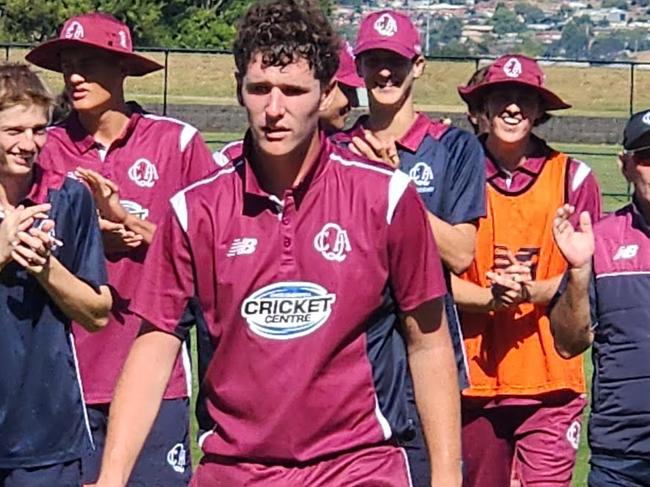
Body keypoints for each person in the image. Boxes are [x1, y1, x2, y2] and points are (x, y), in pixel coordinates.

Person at [89, 1, 462, 486]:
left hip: (357, 467)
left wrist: (448, 476)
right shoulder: (194, 211)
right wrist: (112, 477)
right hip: (234, 470)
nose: (274, 109)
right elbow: (155, 345)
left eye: (293, 90)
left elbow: (428, 343)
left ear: (326, 93)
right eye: (260, 89)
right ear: (238, 87)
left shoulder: (386, 199)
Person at [26, 12, 217, 486]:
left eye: (89, 62)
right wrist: (88, 237)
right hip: (64, 377)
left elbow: (217, 247)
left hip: (156, 374)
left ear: (123, 69)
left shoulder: (178, 142)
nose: (74, 76)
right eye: (68, 63)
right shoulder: (43, 147)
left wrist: (137, 229)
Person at [339, 9, 486, 485]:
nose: (385, 72)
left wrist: (393, 187)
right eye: (374, 61)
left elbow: (462, 253)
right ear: (358, 67)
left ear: (418, 65)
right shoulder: (333, 147)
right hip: (349, 363)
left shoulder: (455, 148)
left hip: (425, 359)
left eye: (396, 61)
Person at [454, 54, 601, 487]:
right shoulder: (454, 173)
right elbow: (430, 276)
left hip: (551, 382)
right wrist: (488, 296)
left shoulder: (573, 177)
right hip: (473, 383)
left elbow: (586, 281)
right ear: (482, 107)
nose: (513, 107)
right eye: (501, 96)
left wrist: (530, 291)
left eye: (525, 98)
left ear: (540, 111)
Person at [0, 63, 111, 486]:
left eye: (39, 130)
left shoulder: (67, 197)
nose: (30, 144)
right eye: (15, 131)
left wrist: (46, 268)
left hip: (45, 434)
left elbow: (98, 313)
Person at [550, 109, 650, 487]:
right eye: (646, 157)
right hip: (621, 456)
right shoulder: (600, 241)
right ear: (625, 165)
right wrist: (578, 273)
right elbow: (567, 343)